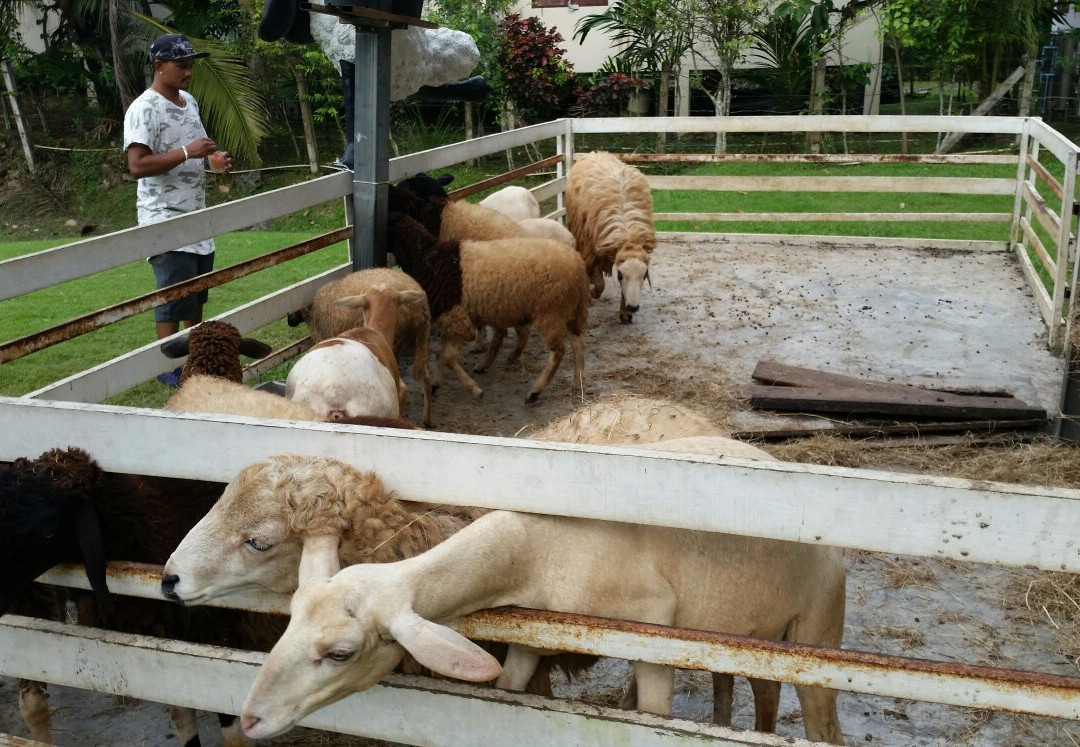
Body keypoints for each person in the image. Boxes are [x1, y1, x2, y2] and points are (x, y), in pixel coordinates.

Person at [123, 33, 231, 386]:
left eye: (191, 65)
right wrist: (188, 152)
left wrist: (213, 161)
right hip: (164, 218)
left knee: (196, 294)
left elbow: (197, 151)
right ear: (159, 66)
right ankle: (167, 369)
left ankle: (195, 359)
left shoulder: (190, 101)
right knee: (172, 297)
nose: (188, 72)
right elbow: (137, 166)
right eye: (181, 65)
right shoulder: (144, 108)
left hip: (197, 218)